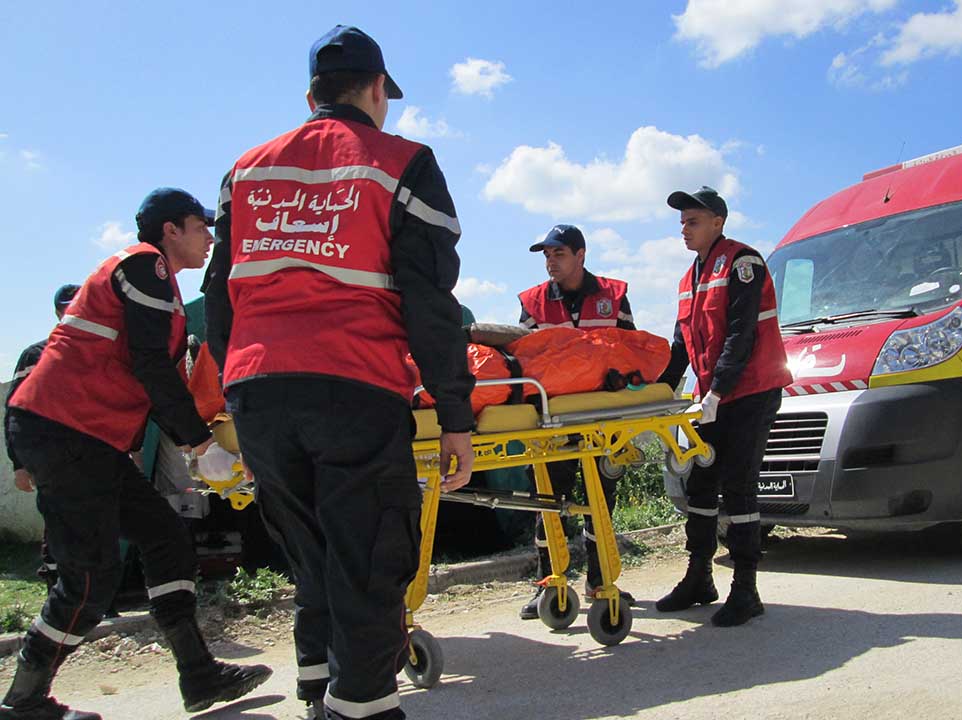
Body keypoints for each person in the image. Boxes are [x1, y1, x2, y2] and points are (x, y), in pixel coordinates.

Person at [204, 25, 474, 720]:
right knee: (369, 562)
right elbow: (429, 303)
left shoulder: (245, 172)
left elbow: (219, 298)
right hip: (354, 384)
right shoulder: (404, 163)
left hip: (258, 389)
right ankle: (362, 707)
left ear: (310, 96)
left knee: (313, 556)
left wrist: (237, 396)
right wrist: (455, 414)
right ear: (378, 89)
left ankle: (315, 689)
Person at [2, 189, 272, 720]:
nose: (209, 237)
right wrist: (200, 444)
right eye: (200, 226)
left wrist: (195, 444)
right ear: (170, 230)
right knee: (88, 579)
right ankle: (24, 701)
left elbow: (151, 381)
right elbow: (149, 366)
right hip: (65, 432)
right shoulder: (144, 265)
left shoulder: (162, 288)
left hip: (85, 438)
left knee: (165, 536)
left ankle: (199, 674)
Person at [656, 186, 791, 627]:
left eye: (692, 221)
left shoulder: (743, 262)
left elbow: (741, 333)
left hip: (750, 392)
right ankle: (699, 577)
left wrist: (716, 392)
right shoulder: (688, 278)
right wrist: (656, 393)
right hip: (712, 397)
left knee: (738, 486)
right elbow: (682, 345)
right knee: (700, 484)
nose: (684, 229)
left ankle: (746, 588)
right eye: (682, 223)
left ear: (718, 222)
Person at [516, 224, 637, 620]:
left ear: (581, 255)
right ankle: (548, 586)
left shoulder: (613, 297)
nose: (550, 261)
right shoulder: (533, 303)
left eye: (559, 253)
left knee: (601, 502)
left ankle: (600, 581)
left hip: (603, 419)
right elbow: (523, 358)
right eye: (547, 255)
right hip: (552, 419)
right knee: (548, 503)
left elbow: (630, 350)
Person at [4, 284, 79, 590]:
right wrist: (19, 464)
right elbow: (15, 410)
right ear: (58, 313)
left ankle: (102, 601)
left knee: (96, 526)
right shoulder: (35, 355)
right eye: (67, 309)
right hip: (51, 457)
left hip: (91, 454)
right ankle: (56, 590)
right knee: (58, 523)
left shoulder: (96, 353)